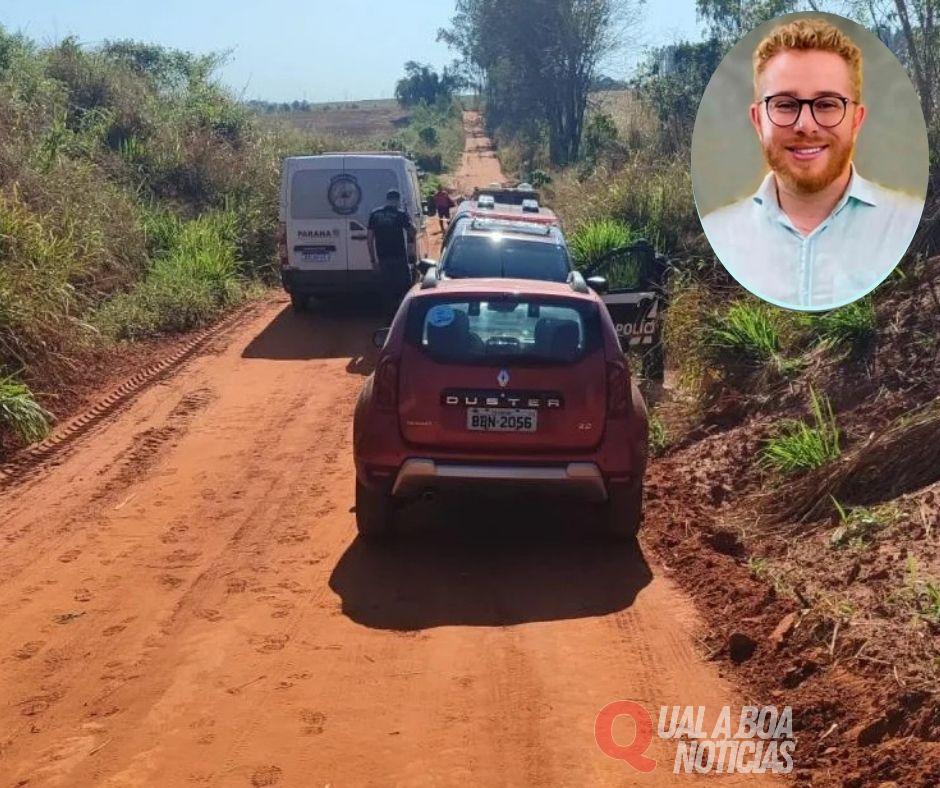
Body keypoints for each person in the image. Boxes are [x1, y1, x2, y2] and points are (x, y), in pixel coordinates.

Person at [700, 18, 924, 311]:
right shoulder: (721, 233)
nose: (805, 126)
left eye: (827, 104)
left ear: (856, 121)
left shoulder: (907, 226)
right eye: (785, 104)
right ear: (757, 121)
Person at [368, 189, 417, 322]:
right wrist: (409, 220)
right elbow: (413, 232)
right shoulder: (400, 214)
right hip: (399, 256)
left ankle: (388, 318)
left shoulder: (375, 214)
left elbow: (369, 239)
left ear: (387, 199)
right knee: (404, 286)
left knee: (386, 288)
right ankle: (402, 317)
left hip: (382, 257)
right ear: (397, 200)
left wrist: (373, 260)